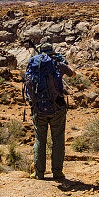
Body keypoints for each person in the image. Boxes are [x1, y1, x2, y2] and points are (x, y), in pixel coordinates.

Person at [28, 43, 74, 181]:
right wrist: (64, 62)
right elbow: (73, 73)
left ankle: (39, 173)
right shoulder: (57, 64)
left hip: (38, 109)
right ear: (52, 53)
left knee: (40, 140)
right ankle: (57, 172)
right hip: (57, 108)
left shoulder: (34, 65)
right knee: (58, 139)